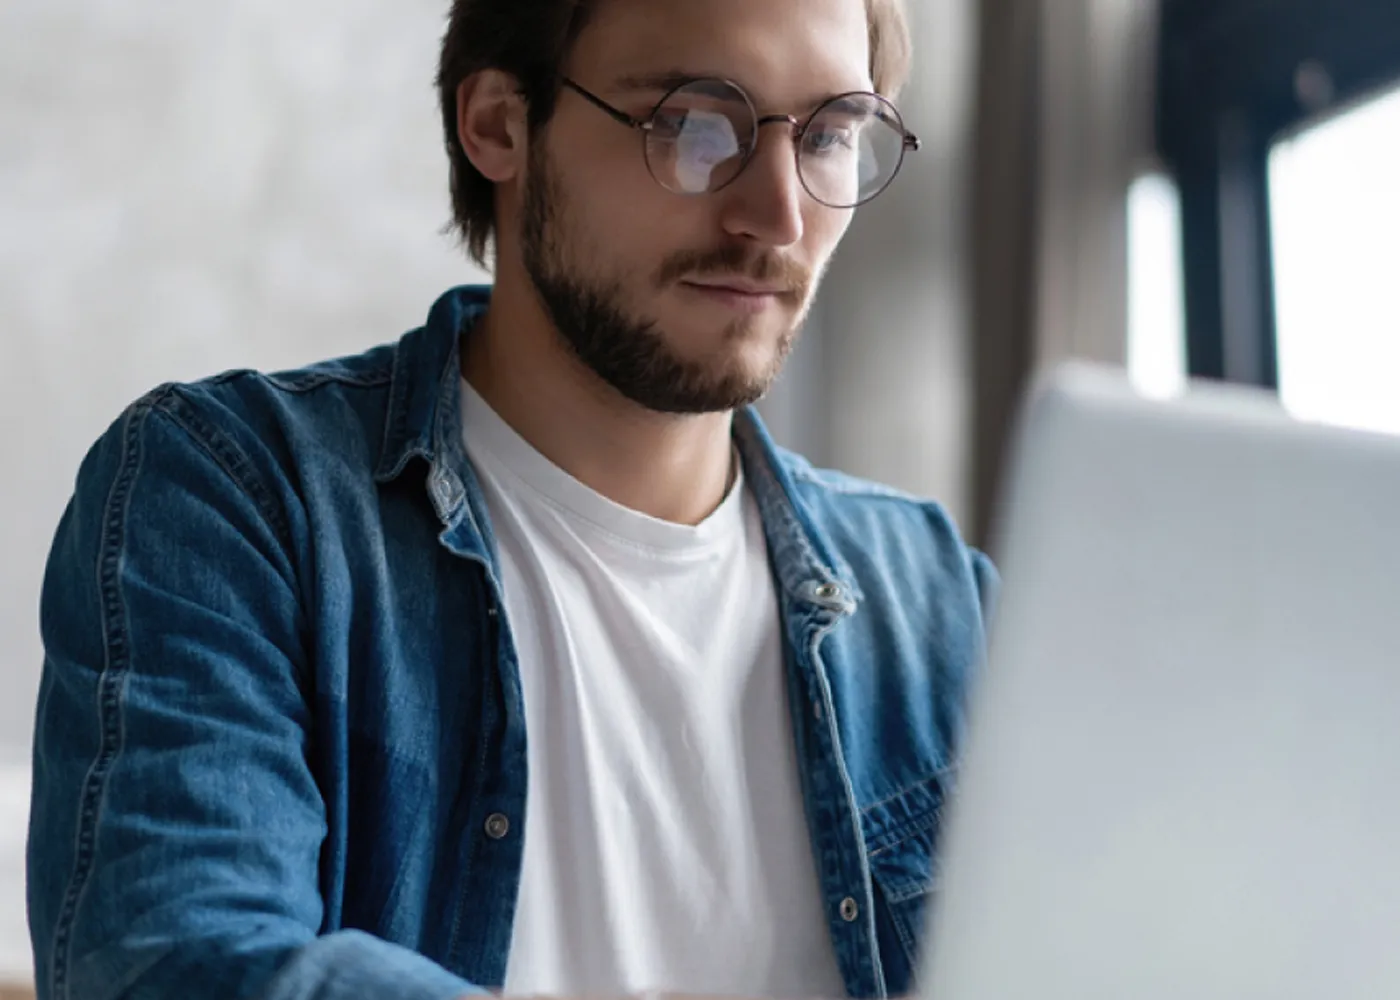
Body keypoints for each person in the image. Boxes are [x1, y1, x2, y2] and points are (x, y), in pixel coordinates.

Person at [27, 0, 995, 998]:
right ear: (496, 123)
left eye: (830, 135)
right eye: (695, 123)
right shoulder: (238, 502)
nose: (777, 216)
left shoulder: (936, 601)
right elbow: (179, 967)